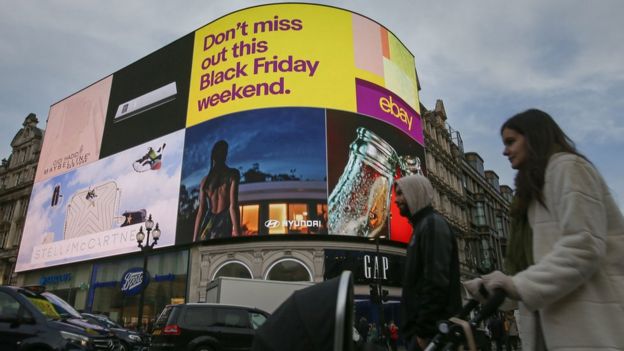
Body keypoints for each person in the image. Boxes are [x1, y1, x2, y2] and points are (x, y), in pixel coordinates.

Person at [464, 109, 624, 350]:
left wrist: (516, 285)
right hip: (548, 332)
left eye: (511, 141)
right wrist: (492, 289)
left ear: (533, 136)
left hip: (588, 329)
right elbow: (532, 276)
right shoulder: (530, 196)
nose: (504, 151)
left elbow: (583, 247)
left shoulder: (569, 168)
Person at [394, 174, 462, 351]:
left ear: (415, 193)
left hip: (431, 337)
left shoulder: (432, 225)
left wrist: (424, 334)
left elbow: (435, 282)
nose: (396, 200)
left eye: (401, 193)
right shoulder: (421, 227)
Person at [193, 140, 241, 241]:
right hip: (222, 222)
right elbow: (233, 206)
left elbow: (201, 211)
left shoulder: (205, 181)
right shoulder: (233, 174)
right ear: (225, 155)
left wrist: (194, 240)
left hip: (211, 222)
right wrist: (238, 234)